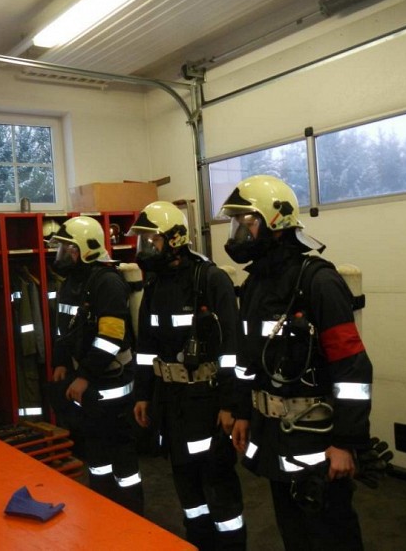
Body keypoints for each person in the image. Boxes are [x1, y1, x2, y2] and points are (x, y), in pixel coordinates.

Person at [219, 175, 373, 551]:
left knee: (331, 537)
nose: (238, 233)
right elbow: (247, 361)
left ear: (276, 221)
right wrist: (242, 412)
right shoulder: (254, 286)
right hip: (273, 440)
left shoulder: (319, 282)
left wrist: (346, 443)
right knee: (294, 535)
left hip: (317, 443)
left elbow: (352, 370)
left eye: (246, 222)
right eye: (235, 224)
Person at [129, 201, 246, 550]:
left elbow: (232, 350)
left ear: (176, 239)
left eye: (152, 240)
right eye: (142, 241)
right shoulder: (154, 285)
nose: (145, 248)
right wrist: (142, 394)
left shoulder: (210, 279)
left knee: (218, 485)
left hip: (207, 402)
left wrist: (230, 404)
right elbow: (146, 348)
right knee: (187, 488)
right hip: (171, 404)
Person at [50, 215, 144, 515]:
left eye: (67, 249)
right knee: (95, 453)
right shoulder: (71, 284)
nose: (61, 255)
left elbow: (110, 338)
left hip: (112, 383)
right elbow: (64, 330)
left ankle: (132, 516)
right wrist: (61, 361)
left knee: (121, 455)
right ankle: (103, 511)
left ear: (85, 249)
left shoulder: (107, 283)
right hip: (88, 384)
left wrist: (84, 376)